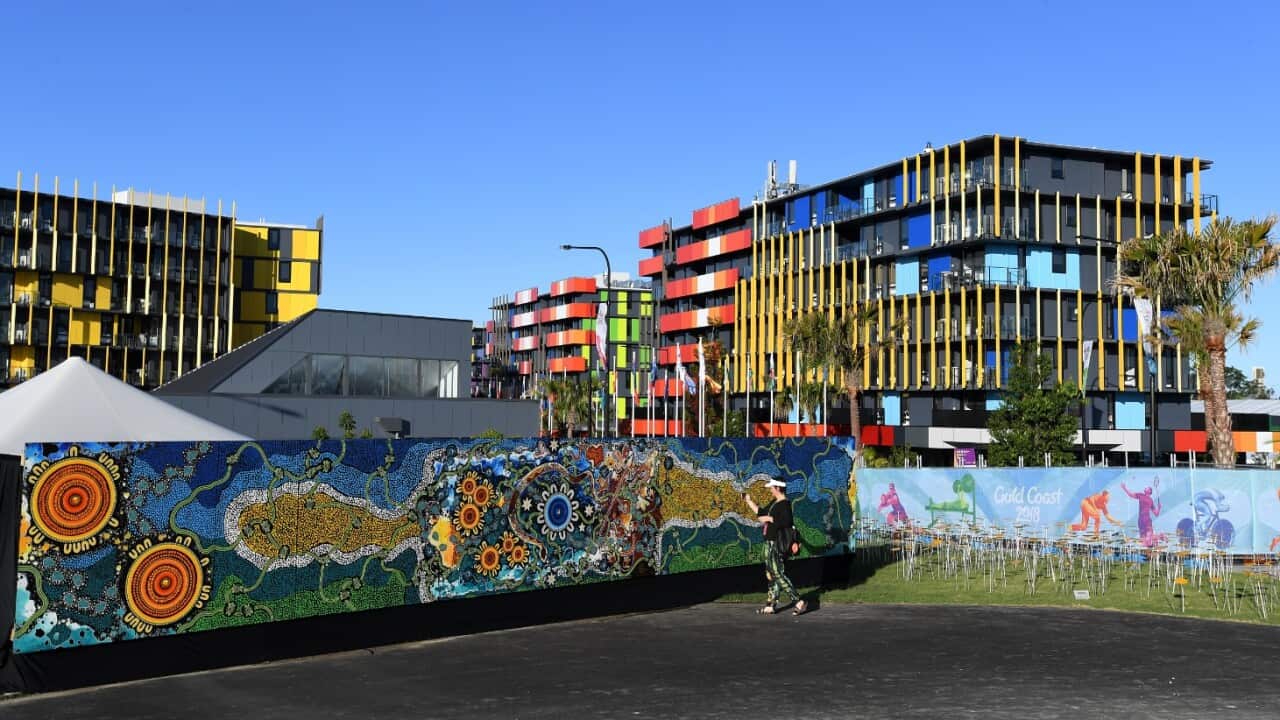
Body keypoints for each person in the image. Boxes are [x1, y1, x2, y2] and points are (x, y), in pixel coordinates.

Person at [743, 477, 807, 616]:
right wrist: (748, 501)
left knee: (777, 573)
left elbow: (787, 522)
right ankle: (770, 605)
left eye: (772, 487)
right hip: (768, 542)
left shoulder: (784, 504)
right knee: (771, 574)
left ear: (778, 488)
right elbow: (761, 514)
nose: (770, 490)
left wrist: (770, 519)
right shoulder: (774, 502)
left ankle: (798, 601)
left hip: (776, 544)